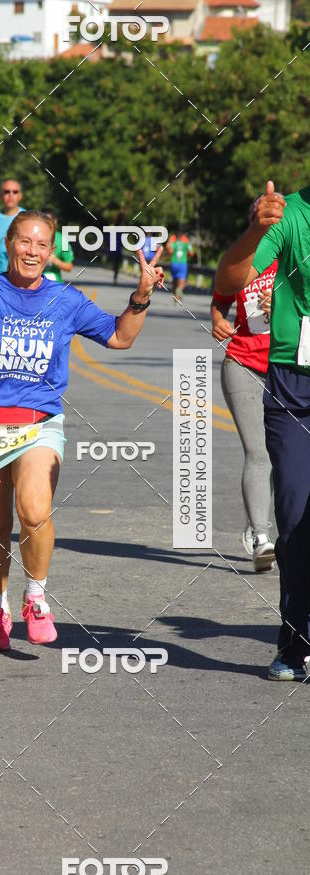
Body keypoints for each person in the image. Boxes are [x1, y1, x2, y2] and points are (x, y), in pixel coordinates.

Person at [0, 210, 163, 653]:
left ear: (50, 251)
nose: (32, 251)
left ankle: (36, 599)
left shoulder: (65, 300)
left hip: (39, 425)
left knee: (34, 510)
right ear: (8, 244)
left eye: (42, 244)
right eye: (25, 241)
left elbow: (119, 337)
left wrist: (141, 296)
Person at [215, 180, 310, 681]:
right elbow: (232, 279)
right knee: (293, 517)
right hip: (294, 384)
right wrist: (255, 231)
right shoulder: (288, 215)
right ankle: (295, 644)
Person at [211, 197, 276, 573]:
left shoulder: (293, 258)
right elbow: (219, 300)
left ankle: (257, 523)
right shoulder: (238, 261)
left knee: (286, 455)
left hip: (288, 367)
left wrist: (281, 304)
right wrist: (218, 320)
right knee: (259, 452)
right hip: (243, 363)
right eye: (257, 218)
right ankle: (262, 539)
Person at [41, 208, 74, 283]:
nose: (45, 224)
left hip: (54, 283)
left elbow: (69, 267)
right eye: (42, 221)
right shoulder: (33, 236)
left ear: (55, 221)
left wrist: (55, 261)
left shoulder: (63, 240)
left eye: (48, 221)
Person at [167, 228, 194, 303]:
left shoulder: (174, 242)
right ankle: (178, 291)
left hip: (174, 263)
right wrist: (187, 253)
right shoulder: (186, 242)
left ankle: (175, 292)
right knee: (181, 281)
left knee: (174, 280)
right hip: (182, 264)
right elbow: (191, 253)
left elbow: (170, 251)